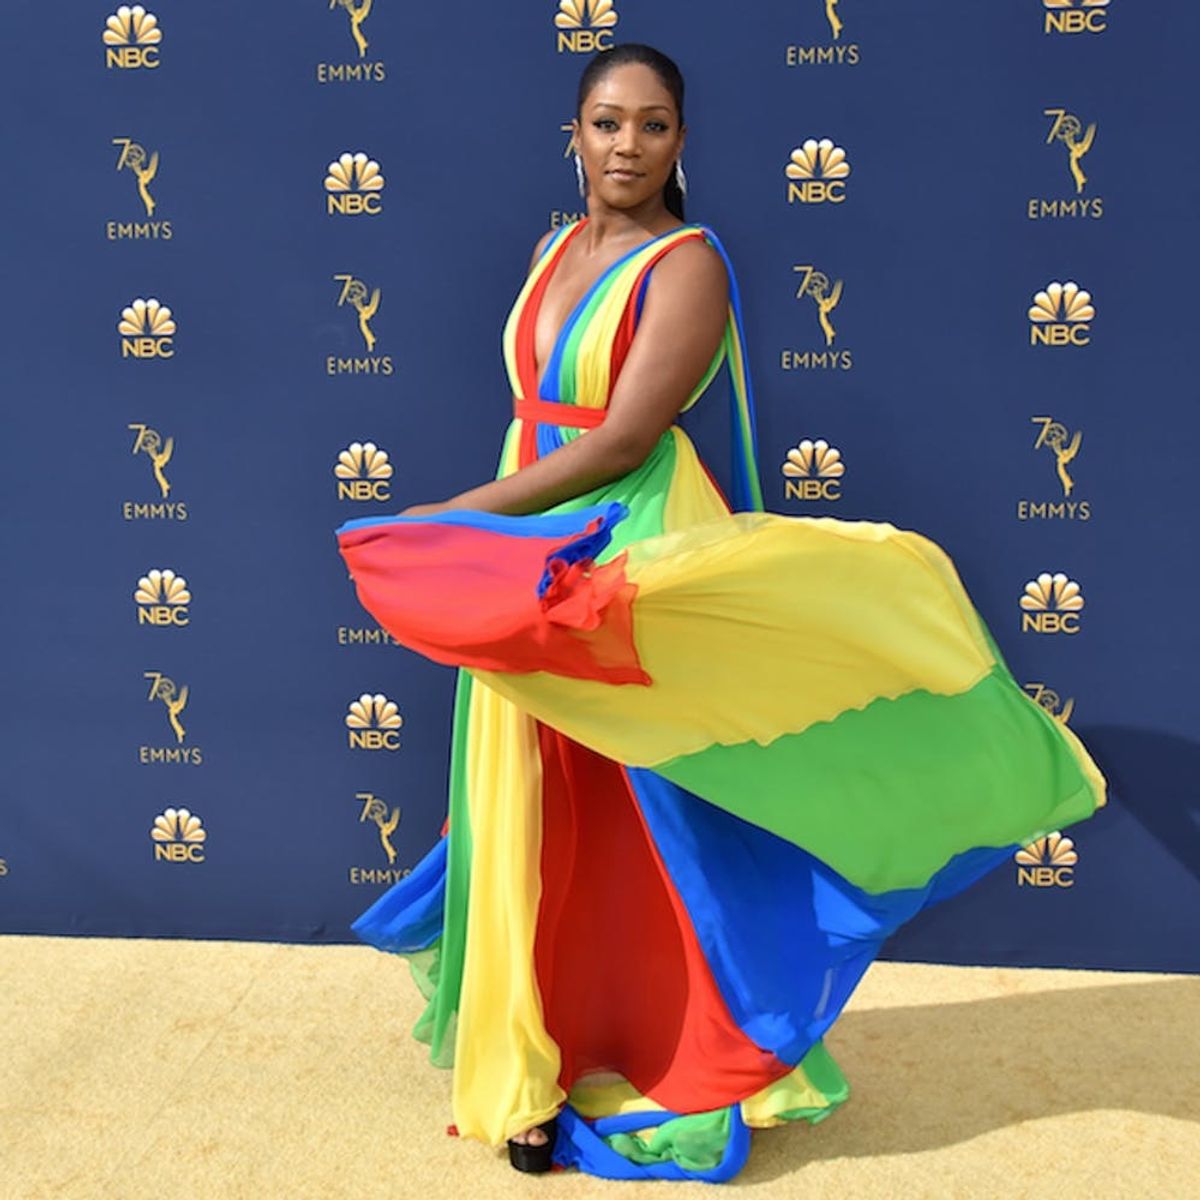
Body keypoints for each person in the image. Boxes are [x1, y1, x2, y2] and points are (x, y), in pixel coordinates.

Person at [336, 43, 1107, 1182]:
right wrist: (478, 534)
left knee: (659, 818)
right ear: (574, 133)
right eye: (606, 123)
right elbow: (543, 415)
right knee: (538, 802)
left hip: (624, 550)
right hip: (523, 549)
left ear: (681, 143)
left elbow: (621, 441)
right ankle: (534, 1058)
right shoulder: (555, 249)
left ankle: (696, 1048)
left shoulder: (686, 264)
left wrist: (451, 518)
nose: (626, 146)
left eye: (652, 126)